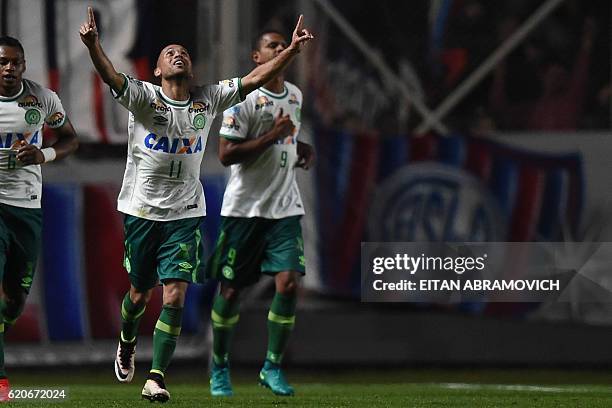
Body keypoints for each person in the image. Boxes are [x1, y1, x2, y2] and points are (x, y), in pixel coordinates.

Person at [78, 7, 313, 403]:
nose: (178, 55)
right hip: (141, 212)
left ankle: (156, 376)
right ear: (156, 70)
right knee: (138, 295)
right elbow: (110, 77)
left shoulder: (208, 99)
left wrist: (290, 51)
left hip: (186, 214)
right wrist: (94, 46)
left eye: (183, 52)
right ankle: (127, 339)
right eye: (170, 53)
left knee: (174, 295)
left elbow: (255, 78)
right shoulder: (143, 98)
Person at [206, 29, 315, 397]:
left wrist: (300, 147)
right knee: (233, 290)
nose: (280, 50)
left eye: (284, 47)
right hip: (244, 210)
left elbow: (286, 136)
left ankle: (272, 367)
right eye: (273, 46)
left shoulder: (295, 96)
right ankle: (219, 368)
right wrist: (272, 136)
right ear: (257, 58)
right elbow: (226, 154)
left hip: (284, 207)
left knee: (288, 282)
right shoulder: (243, 100)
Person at [0, 36, 78, 400]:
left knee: (14, 300)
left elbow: (70, 140)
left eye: (15, 62)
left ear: (24, 64)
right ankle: (1, 380)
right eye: (2, 62)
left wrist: (42, 154)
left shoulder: (42, 99)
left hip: (27, 206)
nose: (8, 68)